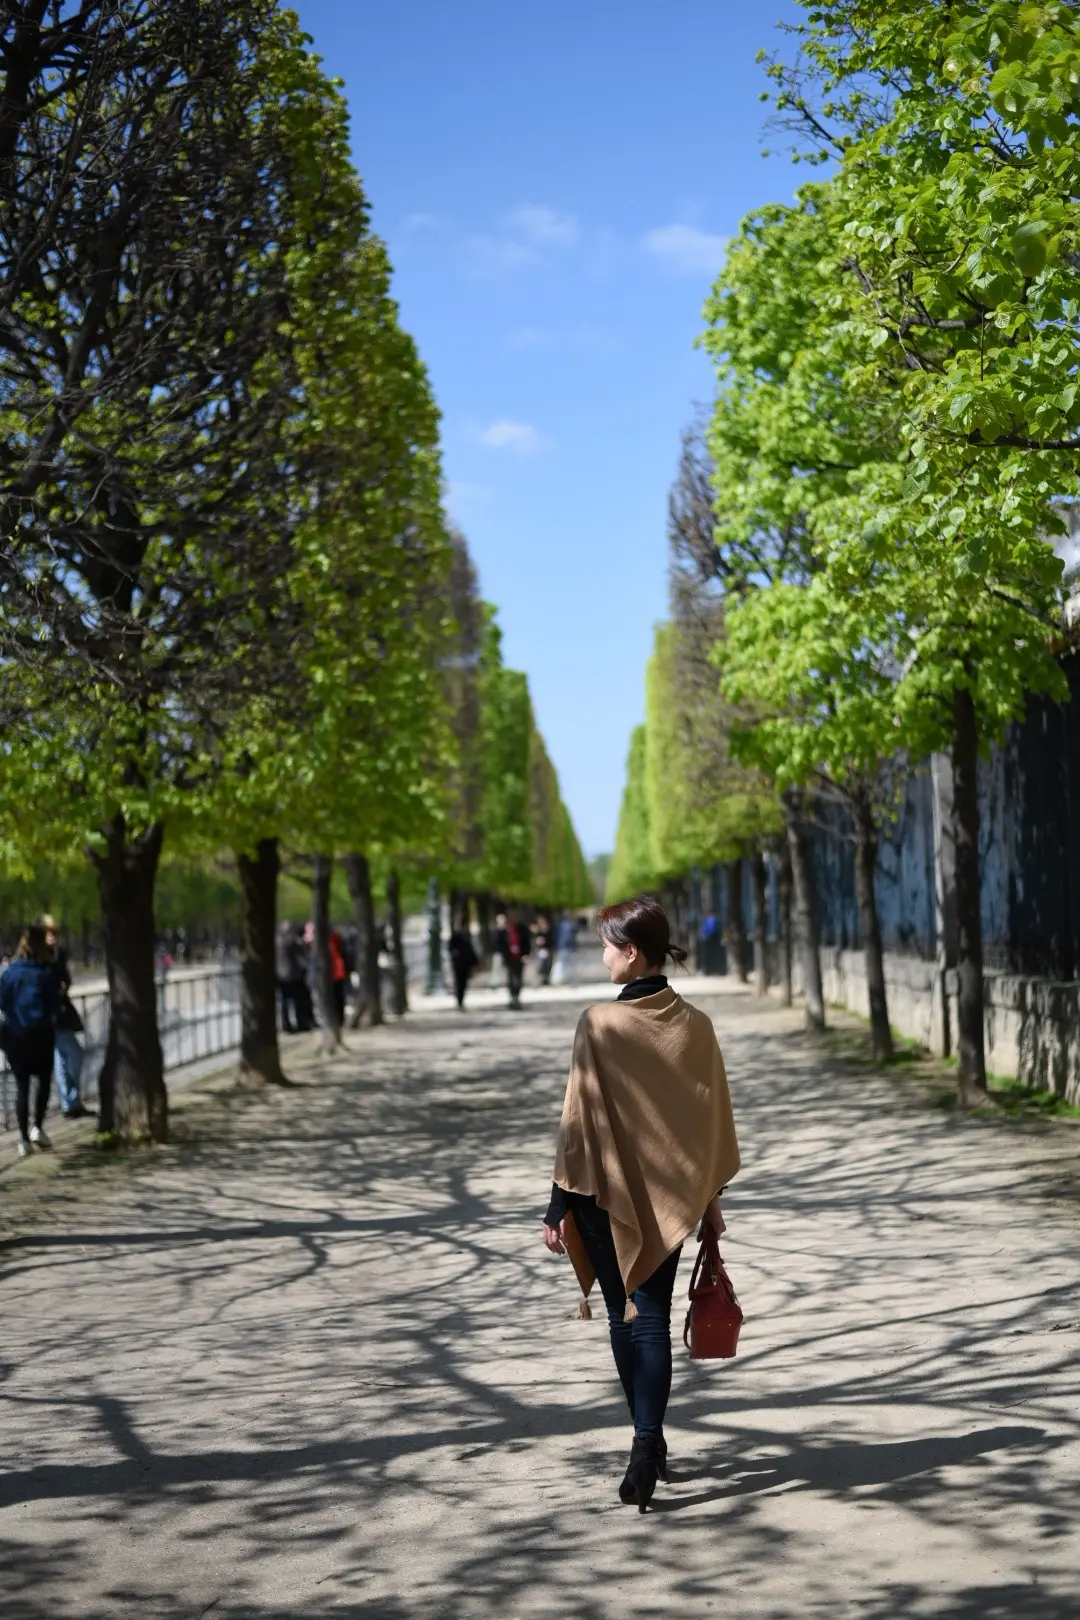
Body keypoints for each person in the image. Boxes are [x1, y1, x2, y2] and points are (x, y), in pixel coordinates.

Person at [542, 895, 740, 1512]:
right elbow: (708, 1126)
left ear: (632, 952)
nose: (601, 956)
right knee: (648, 1317)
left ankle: (645, 1444)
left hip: (603, 1195)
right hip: (670, 1199)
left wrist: (555, 1210)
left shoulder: (597, 1024)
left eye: (606, 945)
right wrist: (705, 1198)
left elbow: (577, 1126)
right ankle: (646, 1442)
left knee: (621, 1318)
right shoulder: (697, 1027)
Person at [1, 925, 61, 1158]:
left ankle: (23, 1139)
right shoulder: (44, 974)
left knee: (22, 1085)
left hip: (16, 1036)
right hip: (41, 1035)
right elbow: (54, 1006)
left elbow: (3, 1003)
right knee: (44, 1080)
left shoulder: (9, 973)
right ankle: (38, 1127)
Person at [41, 914, 88, 1119]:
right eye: (49, 934)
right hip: (53, 1014)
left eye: (55, 934)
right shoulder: (43, 959)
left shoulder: (57, 955)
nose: (54, 938)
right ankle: (70, 1101)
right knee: (71, 1054)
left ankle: (70, 1102)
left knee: (63, 1057)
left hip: (60, 1011)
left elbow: (65, 980)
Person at [495, 912, 531, 1009]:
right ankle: (513, 997)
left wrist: (526, 954)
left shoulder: (522, 929)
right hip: (509, 957)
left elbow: (527, 942)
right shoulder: (505, 930)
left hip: (520, 957)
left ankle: (516, 996)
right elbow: (499, 943)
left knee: (518, 977)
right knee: (511, 977)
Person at [275, 922, 304, 1034]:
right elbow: (300, 954)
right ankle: (298, 1022)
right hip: (292, 974)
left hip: (280, 975)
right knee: (296, 1000)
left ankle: (286, 1024)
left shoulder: (276, 941)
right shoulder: (291, 940)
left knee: (284, 1001)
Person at [447, 924, 479, 1010]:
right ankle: (459, 1001)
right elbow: (451, 949)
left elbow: (471, 951)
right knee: (459, 983)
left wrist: (475, 963)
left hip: (465, 965)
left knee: (463, 984)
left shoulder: (467, 937)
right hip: (458, 965)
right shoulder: (456, 937)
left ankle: (461, 1001)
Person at [534, 915, 554, 986]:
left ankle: (546, 979)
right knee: (540, 966)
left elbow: (552, 940)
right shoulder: (537, 930)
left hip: (548, 950)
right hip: (540, 950)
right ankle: (541, 979)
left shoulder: (549, 929)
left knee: (548, 965)